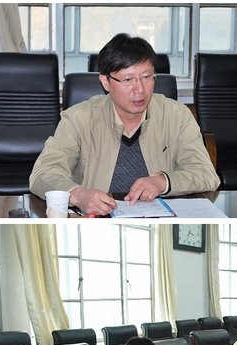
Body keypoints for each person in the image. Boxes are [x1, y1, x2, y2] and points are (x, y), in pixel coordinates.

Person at [30, 33, 220, 216]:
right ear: (105, 82)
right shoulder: (78, 119)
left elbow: (206, 174)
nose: (140, 89)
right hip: (97, 221)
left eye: (147, 77)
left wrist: (163, 181)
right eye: (128, 79)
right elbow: (43, 174)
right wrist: (78, 195)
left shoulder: (176, 116)